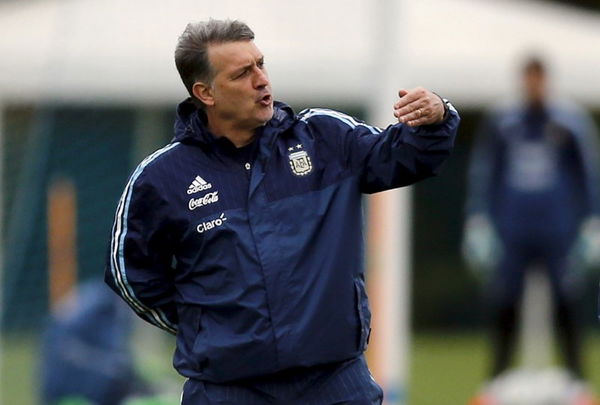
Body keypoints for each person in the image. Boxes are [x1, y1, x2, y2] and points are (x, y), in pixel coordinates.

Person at [105, 19, 459, 405]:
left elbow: (406, 156)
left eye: (260, 64)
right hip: (227, 391)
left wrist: (437, 115)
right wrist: (202, 324)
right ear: (205, 93)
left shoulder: (323, 138)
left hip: (335, 382)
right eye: (242, 73)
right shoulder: (162, 178)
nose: (261, 80)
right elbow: (132, 275)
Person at [463, 56, 600, 382]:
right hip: (513, 229)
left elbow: (588, 174)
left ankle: (576, 382)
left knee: (566, 302)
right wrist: (478, 219)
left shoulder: (569, 121)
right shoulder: (503, 121)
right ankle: (497, 382)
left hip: (558, 230)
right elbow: (485, 171)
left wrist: (593, 221)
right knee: (505, 302)